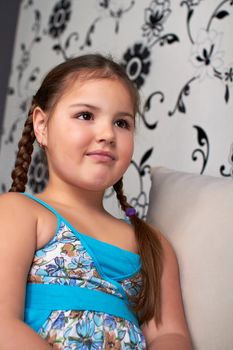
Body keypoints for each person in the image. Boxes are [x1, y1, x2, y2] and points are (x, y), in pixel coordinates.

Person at [0, 54, 192, 349]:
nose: (107, 134)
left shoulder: (151, 243)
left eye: (121, 123)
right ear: (42, 125)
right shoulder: (18, 212)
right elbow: (4, 324)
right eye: (86, 115)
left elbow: (171, 335)